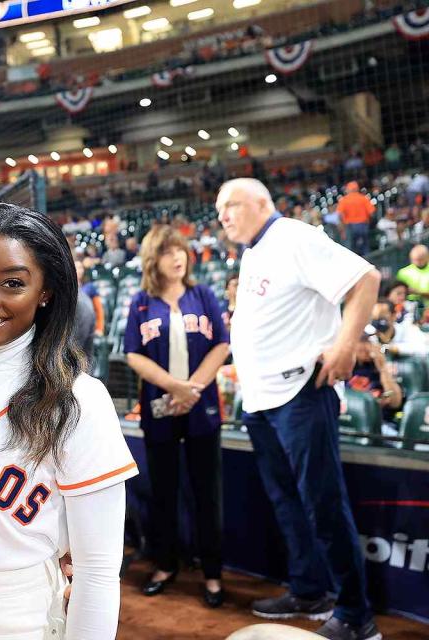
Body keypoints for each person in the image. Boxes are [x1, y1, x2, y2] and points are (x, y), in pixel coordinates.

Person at [0, 203, 137, 639]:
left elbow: (96, 572)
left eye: (13, 283)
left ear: (46, 292)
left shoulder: (78, 400)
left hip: (22, 614)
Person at [217, 178, 381, 640]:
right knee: (287, 502)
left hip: (301, 394)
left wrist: (346, 345)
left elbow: (367, 278)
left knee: (323, 503)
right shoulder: (253, 251)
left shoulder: (292, 235)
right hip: (262, 400)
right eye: (219, 208)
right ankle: (310, 591)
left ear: (262, 202)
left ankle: (355, 614)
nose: (223, 215)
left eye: (231, 204)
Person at [123, 225, 229, 608]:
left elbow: (221, 343)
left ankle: (213, 574)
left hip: (203, 407)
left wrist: (193, 388)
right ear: (155, 259)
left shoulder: (203, 295)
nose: (178, 257)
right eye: (169, 252)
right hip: (160, 409)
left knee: (207, 495)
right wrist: (173, 387)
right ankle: (165, 565)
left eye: (181, 250)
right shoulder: (140, 302)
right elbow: (133, 353)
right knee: (164, 493)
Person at [336, 182, 376, 255]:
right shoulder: (363, 198)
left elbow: (339, 215)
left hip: (350, 227)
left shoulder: (344, 200)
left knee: (350, 250)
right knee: (365, 249)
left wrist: (342, 229)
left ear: (348, 189)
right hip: (363, 225)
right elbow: (372, 213)